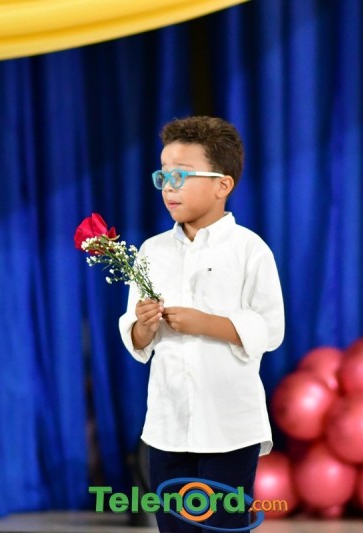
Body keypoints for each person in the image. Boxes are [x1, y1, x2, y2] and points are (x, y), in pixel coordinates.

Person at [118, 116, 285, 532]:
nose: (168, 187)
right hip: (168, 425)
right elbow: (137, 337)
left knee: (221, 525)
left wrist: (205, 323)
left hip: (229, 426)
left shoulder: (249, 250)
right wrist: (143, 325)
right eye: (162, 176)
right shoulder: (152, 252)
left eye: (181, 175)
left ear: (222, 185)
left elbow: (271, 328)